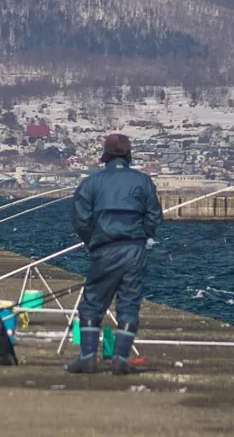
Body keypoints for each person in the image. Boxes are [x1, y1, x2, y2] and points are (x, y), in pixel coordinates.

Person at [66, 133, 162, 375]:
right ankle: (120, 359)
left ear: (105, 155)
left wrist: (92, 241)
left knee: (92, 303)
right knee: (129, 304)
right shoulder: (144, 181)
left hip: (105, 249)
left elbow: (81, 219)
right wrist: (146, 236)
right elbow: (153, 215)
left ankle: (88, 357)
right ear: (129, 155)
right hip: (135, 250)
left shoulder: (91, 183)